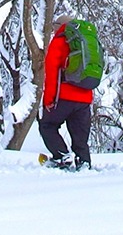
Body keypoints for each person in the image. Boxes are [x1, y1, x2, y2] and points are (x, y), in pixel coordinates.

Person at [39, 15, 93, 170]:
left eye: (55, 25)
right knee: (79, 134)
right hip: (85, 97)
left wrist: (48, 100)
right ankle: (83, 162)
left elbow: (51, 74)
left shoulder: (59, 42)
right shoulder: (86, 42)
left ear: (60, 26)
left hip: (63, 96)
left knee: (47, 126)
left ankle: (62, 156)